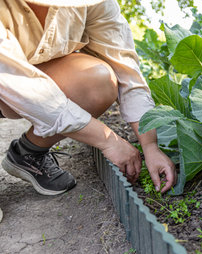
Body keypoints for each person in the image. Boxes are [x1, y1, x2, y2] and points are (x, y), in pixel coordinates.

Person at [0, 0, 177, 195]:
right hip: (7, 79)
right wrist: (108, 141)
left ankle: (28, 152)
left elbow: (125, 68)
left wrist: (150, 145)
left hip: (25, 80)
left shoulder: (94, 4)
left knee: (97, 81)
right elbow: (18, 83)